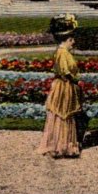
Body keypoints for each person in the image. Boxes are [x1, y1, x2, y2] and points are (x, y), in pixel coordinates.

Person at [37, 13, 86, 158]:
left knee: (65, 114)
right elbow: (65, 72)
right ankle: (61, 145)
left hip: (65, 85)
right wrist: (77, 80)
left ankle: (64, 144)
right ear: (68, 39)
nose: (74, 43)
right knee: (63, 114)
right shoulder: (63, 53)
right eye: (72, 40)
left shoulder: (62, 52)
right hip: (64, 85)